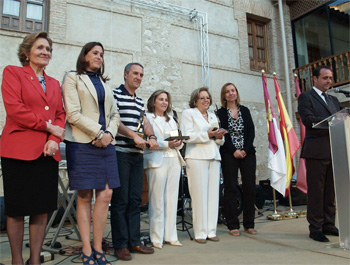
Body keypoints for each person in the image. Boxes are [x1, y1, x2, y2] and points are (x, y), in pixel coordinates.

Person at [0, 32, 65, 265]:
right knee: (16, 210)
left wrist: (54, 139)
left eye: (48, 48)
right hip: (17, 151)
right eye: (40, 48)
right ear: (27, 53)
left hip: (47, 153)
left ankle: (34, 260)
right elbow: (15, 110)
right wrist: (48, 127)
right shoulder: (13, 73)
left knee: (41, 209)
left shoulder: (56, 84)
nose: (45, 52)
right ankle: (17, 261)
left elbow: (60, 114)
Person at [62, 42, 120, 265]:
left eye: (102, 54)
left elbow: (115, 114)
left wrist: (107, 135)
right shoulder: (72, 78)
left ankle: (98, 246)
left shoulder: (105, 83)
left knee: (105, 195)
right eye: (95, 53)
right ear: (84, 55)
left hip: (106, 144)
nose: (99, 57)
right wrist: (97, 133)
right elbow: (72, 114)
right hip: (82, 143)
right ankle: (87, 249)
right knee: (85, 197)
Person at [111, 63, 158, 261]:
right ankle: (120, 245)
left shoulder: (138, 101)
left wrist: (152, 136)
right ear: (125, 74)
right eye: (135, 73)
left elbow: (145, 122)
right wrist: (133, 136)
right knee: (120, 201)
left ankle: (135, 241)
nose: (138, 77)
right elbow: (114, 121)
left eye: (141, 75)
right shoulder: (114, 94)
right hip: (120, 153)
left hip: (137, 155)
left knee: (135, 200)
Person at [298, 65, 342, 242]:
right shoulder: (306, 97)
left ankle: (329, 224)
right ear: (315, 79)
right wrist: (332, 120)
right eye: (325, 78)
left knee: (330, 191)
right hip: (316, 152)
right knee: (317, 191)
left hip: (334, 150)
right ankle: (315, 227)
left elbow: (341, 117)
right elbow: (308, 119)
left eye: (330, 78)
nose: (329, 81)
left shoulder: (333, 99)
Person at [181, 87, 226, 244]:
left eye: (208, 98)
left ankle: (211, 230)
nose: (206, 100)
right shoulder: (189, 113)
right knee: (199, 196)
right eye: (202, 98)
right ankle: (200, 232)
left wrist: (219, 136)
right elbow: (187, 136)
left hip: (214, 156)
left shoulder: (213, 115)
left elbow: (220, 141)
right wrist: (208, 135)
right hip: (197, 157)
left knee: (214, 195)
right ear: (195, 100)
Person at [144, 90, 185, 249]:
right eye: (161, 99)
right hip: (156, 160)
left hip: (173, 160)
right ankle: (156, 237)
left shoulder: (172, 120)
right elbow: (149, 140)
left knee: (172, 199)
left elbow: (179, 142)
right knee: (157, 200)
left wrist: (178, 143)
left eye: (166, 100)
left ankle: (171, 235)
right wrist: (167, 144)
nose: (164, 102)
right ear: (154, 101)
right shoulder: (147, 117)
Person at [217, 83, 257, 237]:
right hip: (229, 153)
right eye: (227, 92)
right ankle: (232, 224)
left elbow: (251, 131)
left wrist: (245, 150)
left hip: (247, 153)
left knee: (249, 188)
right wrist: (234, 150)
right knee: (231, 188)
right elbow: (222, 134)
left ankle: (249, 224)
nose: (230, 93)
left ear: (236, 93)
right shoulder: (220, 113)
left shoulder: (245, 111)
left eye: (233, 90)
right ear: (224, 95)